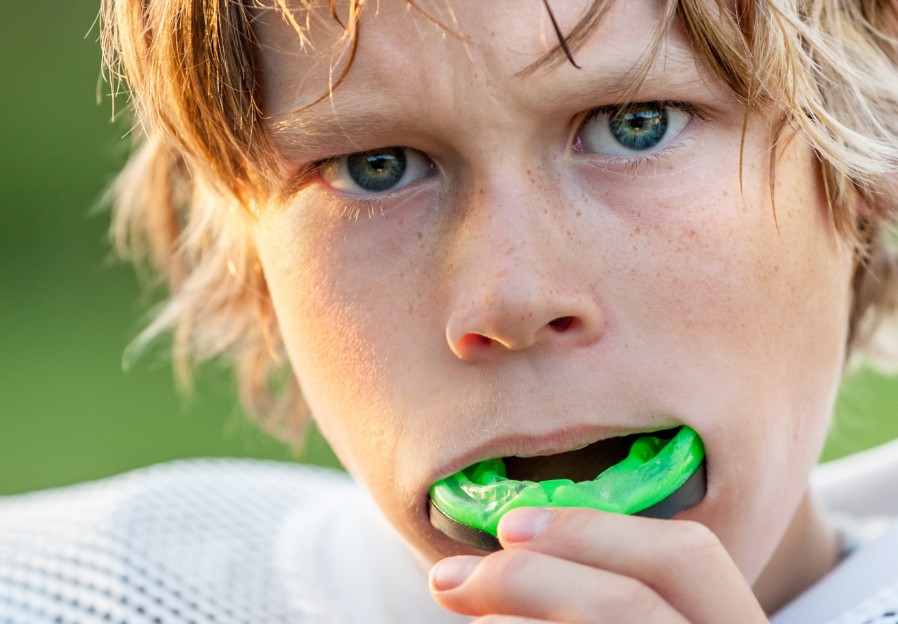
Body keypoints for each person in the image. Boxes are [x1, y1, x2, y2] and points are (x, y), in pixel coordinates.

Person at [4, 0, 898, 622]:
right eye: (378, 166)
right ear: (251, 252)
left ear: (865, 154)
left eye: (636, 122)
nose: (510, 299)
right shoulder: (71, 591)